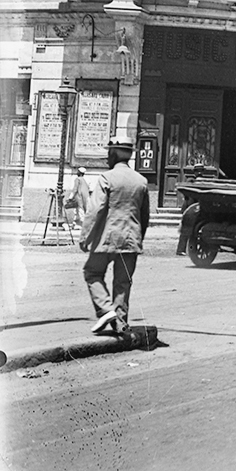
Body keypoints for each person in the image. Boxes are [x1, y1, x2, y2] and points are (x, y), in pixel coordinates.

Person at [81, 134, 149, 335]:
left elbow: (95, 210)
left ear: (113, 154)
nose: (107, 157)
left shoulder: (106, 178)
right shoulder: (141, 181)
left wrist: (86, 237)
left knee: (92, 273)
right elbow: (144, 216)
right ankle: (120, 323)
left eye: (108, 153)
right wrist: (139, 238)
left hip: (107, 238)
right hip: (131, 239)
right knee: (123, 282)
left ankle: (105, 309)